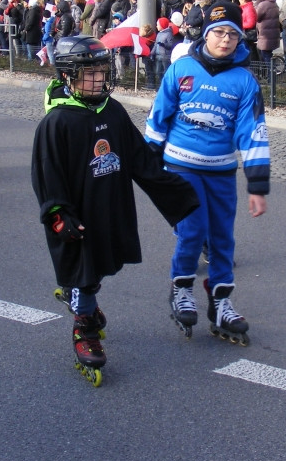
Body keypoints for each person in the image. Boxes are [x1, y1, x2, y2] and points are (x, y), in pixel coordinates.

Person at [31, 36, 196, 386]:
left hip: (110, 203)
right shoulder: (56, 122)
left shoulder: (113, 110)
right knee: (85, 269)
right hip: (77, 212)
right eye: (90, 72)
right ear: (69, 76)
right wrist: (59, 214)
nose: (100, 79)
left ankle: (81, 296)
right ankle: (84, 327)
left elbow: (139, 158)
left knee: (101, 262)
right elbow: (47, 173)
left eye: (102, 71)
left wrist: (178, 194)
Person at [145, 2, 270, 347]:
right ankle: (181, 288)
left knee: (221, 238)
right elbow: (159, 117)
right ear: (205, 34)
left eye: (233, 34)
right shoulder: (181, 69)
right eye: (219, 32)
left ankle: (220, 301)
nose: (225, 40)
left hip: (221, 173)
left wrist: (257, 185)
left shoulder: (244, 81)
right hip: (181, 166)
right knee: (191, 230)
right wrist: (149, 164)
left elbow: (254, 132)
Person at [254, 0, 281, 65]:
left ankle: (271, 76)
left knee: (266, 56)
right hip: (272, 33)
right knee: (268, 55)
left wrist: (255, 6)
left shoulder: (263, 4)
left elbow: (257, 16)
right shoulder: (273, 3)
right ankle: (271, 73)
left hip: (265, 35)